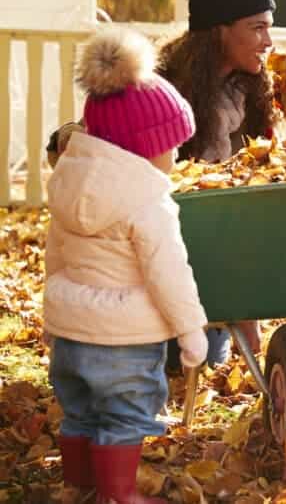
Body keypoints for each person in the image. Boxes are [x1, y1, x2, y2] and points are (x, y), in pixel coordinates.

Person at [44, 29, 208, 504]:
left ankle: (77, 486)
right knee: (122, 415)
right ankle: (117, 495)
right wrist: (191, 331)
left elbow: (57, 255)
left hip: (71, 330)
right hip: (124, 340)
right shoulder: (148, 200)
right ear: (146, 147)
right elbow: (169, 274)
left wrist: (52, 315)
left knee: (78, 412)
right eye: (172, 147)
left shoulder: (67, 182)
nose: (176, 157)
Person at [158, 0, 277, 368]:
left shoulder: (249, 89)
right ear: (219, 31)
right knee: (180, 359)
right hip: (168, 242)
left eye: (269, 28)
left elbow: (262, 161)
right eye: (257, 28)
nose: (268, 40)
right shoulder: (163, 86)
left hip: (229, 235)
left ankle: (232, 317)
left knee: (208, 358)